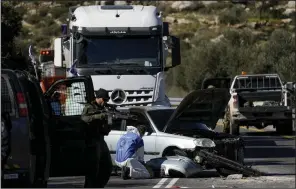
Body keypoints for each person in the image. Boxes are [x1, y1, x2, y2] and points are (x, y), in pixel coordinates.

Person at [81, 88, 113, 188]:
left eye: (106, 100)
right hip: (92, 141)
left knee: (107, 167)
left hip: (101, 139)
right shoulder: (89, 107)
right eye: (104, 99)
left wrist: (110, 120)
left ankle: (99, 186)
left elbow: (107, 126)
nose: (105, 102)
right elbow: (84, 118)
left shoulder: (105, 108)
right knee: (93, 169)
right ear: (98, 98)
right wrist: (99, 116)